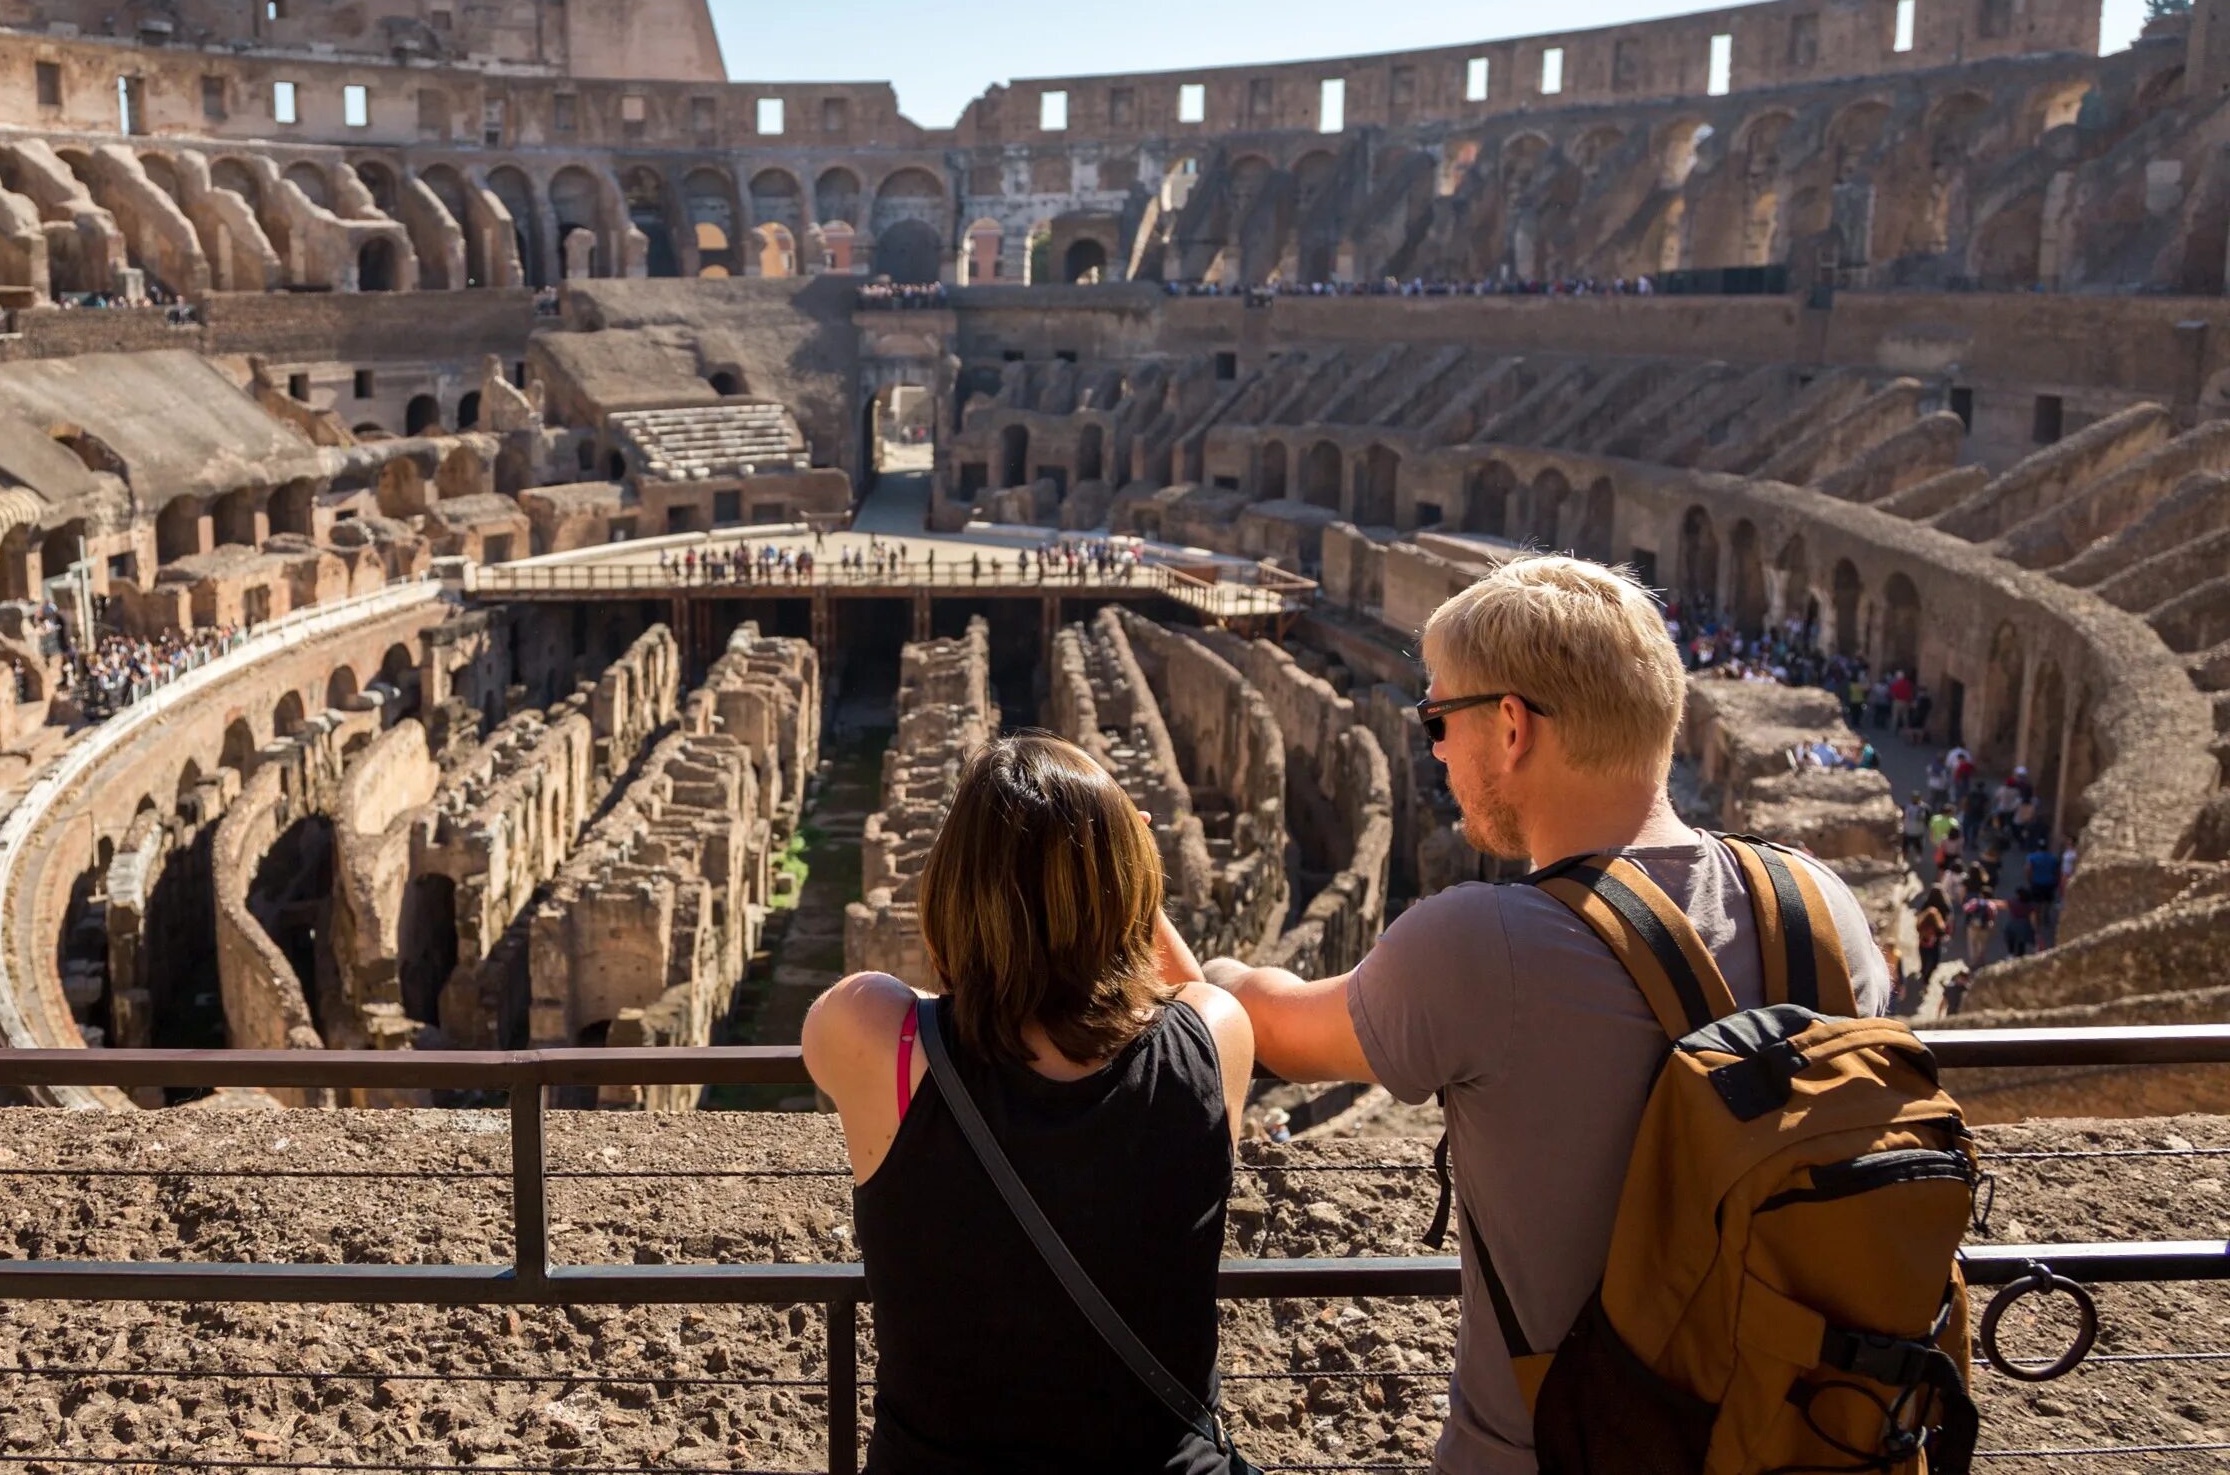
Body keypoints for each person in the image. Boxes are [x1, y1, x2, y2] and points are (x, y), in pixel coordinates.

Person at [1198, 555, 1887, 1475]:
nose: (1433, 747)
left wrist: (1197, 967)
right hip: (1815, 1437)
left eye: (1438, 718)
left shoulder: (1481, 946)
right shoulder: (1824, 907)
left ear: (1512, 727)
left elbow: (1274, 1026)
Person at [802, 732, 1254, 1474]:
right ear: (1130, 886)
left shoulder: (873, 1033)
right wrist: (1123, 865)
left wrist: (984, 948)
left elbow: (884, 1001)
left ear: (950, 886)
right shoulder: (1217, 1034)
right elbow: (1181, 995)